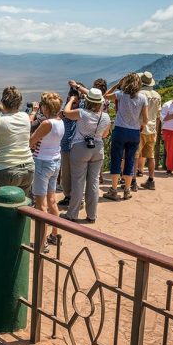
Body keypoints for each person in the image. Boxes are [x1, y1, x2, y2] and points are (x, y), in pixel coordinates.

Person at [60, 88, 111, 222]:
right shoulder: (105, 116)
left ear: (87, 101)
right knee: (93, 183)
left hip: (80, 148)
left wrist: (71, 100)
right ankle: (92, 215)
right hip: (98, 148)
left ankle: (72, 214)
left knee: (78, 182)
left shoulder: (82, 113)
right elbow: (105, 135)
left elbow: (66, 113)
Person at [0, 86, 34, 194]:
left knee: (2, 206)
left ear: (3, 101)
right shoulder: (25, 116)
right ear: (20, 102)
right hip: (28, 168)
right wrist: (0, 107)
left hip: (7, 169)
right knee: (22, 206)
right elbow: (11, 115)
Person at [103, 73, 148, 201]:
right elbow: (145, 119)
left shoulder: (121, 95)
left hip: (120, 130)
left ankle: (113, 190)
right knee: (130, 160)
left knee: (116, 159)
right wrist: (140, 125)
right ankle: (127, 190)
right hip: (134, 132)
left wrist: (117, 85)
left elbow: (105, 96)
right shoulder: (143, 98)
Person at [29, 92, 65, 246]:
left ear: (46, 107)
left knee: (40, 205)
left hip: (42, 163)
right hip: (55, 162)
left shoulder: (46, 124)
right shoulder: (60, 122)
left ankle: (41, 243)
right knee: (52, 201)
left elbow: (31, 141)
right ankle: (55, 236)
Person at [57, 81, 86, 209]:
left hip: (77, 146)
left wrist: (77, 88)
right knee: (66, 174)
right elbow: (61, 114)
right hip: (66, 145)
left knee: (77, 174)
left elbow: (91, 95)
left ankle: (78, 198)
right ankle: (68, 196)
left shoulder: (83, 109)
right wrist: (70, 102)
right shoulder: (66, 109)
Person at [135, 72, 162, 190]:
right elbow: (158, 115)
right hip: (152, 129)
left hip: (140, 128)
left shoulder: (139, 94)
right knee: (151, 156)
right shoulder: (157, 95)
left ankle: (133, 181)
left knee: (135, 155)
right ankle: (151, 180)